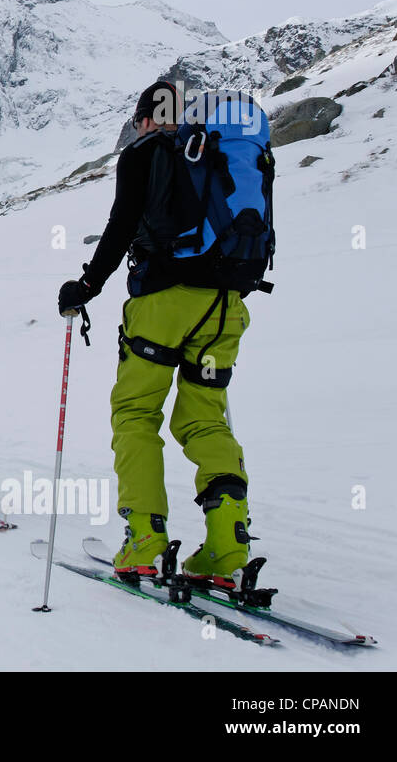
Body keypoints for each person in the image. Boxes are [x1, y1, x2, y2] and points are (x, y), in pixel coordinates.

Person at [58, 80, 267, 584]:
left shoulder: (144, 153)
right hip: (226, 307)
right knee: (205, 419)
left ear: (145, 118)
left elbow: (121, 226)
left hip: (161, 305)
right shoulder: (220, 154)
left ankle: (144, 536)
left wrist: (86, 284)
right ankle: (225, 543)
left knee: (135, 412)